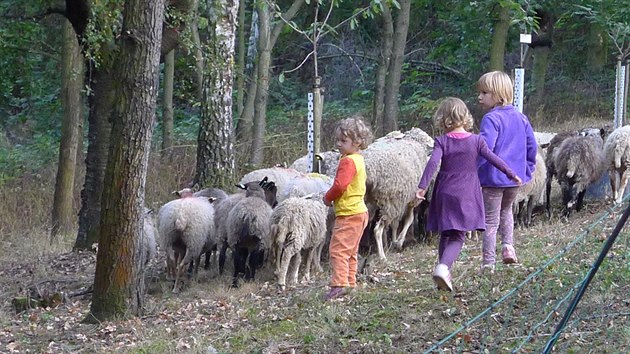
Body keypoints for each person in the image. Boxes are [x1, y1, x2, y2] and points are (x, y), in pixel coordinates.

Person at [416, 97, 522, 292]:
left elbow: (433, 163)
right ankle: (444, 267)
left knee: (447, 233)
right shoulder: (477, 141)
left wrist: (422, 186)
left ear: (443, 119)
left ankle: (443, 275)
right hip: (466, 192)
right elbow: (493, 158)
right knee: (458, 236)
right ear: (465, 117)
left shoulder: (442, 141)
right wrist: (511, 173)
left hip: (444, 191)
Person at [477, 71, 537, 272]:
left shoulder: (490, 119)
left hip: (493, 179)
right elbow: (532, 146)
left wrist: (473, 170)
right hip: (515, 179)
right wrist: (527, 169)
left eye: (484, 93)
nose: (479, 97)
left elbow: (485, 148)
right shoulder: (521, 118)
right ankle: (508, 247)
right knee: (507, 211)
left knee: (490, 221)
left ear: (497, 94)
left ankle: (488, 263)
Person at [322, 116, 373, 301]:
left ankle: (339, 285)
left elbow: (340, 185)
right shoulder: (359, 159)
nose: (338, 144)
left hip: (348, 213)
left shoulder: (348, 162)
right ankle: (350, 283)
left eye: (344, 141)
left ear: (357, 142)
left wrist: (327, 198)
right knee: (351, 251)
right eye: (338, 140)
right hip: (360, 211)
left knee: (338, 250)